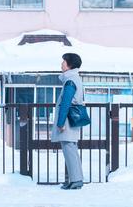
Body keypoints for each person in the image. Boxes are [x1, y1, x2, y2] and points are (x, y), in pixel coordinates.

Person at [51, 53, 85, 190]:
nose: (61, 64)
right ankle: (77, 179)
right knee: (72, 149)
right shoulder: (75, 79)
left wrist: (60, 123)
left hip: (67, 120)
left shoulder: (70, 81)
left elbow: (65, 103)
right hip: (73, 118)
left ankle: (76, 180)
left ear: (70, 64)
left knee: (69, 149)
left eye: (63, 62)